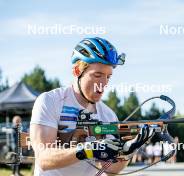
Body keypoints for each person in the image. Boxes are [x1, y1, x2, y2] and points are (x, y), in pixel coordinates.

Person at [30, 37, 155, 176]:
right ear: (77, 71)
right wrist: (88, 149)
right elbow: (44, 159)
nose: (103, 84)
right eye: (97, 75)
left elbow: (110, 169)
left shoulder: (108, 114)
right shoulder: (50, 101)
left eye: (108, 77)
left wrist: (128, 151)